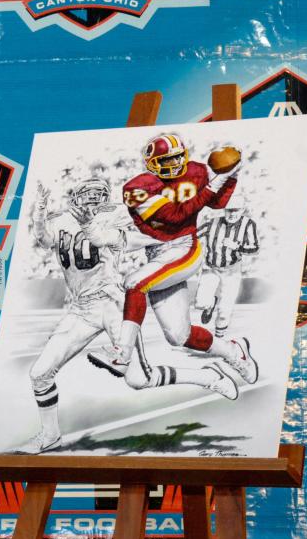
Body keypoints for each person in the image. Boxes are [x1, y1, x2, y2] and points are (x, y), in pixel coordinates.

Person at [23, 178, 238, 454]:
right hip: (81, 308)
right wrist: (39, 213)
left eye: (98, 195)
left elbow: (140, 236)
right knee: (39, 373)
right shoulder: (61, 219)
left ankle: (206, 377)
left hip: (112, 303)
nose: (93, 201)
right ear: (75, 197)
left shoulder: (116, 215)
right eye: (87, 195)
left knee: (138, 380)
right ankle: (50, 435)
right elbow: (44, 240)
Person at [88, 133, 259, 387]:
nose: (176, 164)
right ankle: (235, 352)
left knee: (134, 283)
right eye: (168, 160)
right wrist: (216, 183)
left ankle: (121, 353)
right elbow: (174, 215)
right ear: (153, 163)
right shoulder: (135, 188)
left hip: (184, 247)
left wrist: (230, 176)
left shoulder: (198, 171)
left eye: (179, 157)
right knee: (179, 336)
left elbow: (218, 202)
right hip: (158, 252)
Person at [194, 202, 260, 337]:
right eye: (229, 210)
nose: (232, 214)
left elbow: (255, 249)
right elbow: (192, 236)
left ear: (242, 210)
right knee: (200, 303)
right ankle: (210, 304)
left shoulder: (248, 224)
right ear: (224, 210)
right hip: (211, 267)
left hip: (232, 270)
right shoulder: (213, 223)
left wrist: (237, 246)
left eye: (236, 210)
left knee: (225, 310)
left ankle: (218, 338)